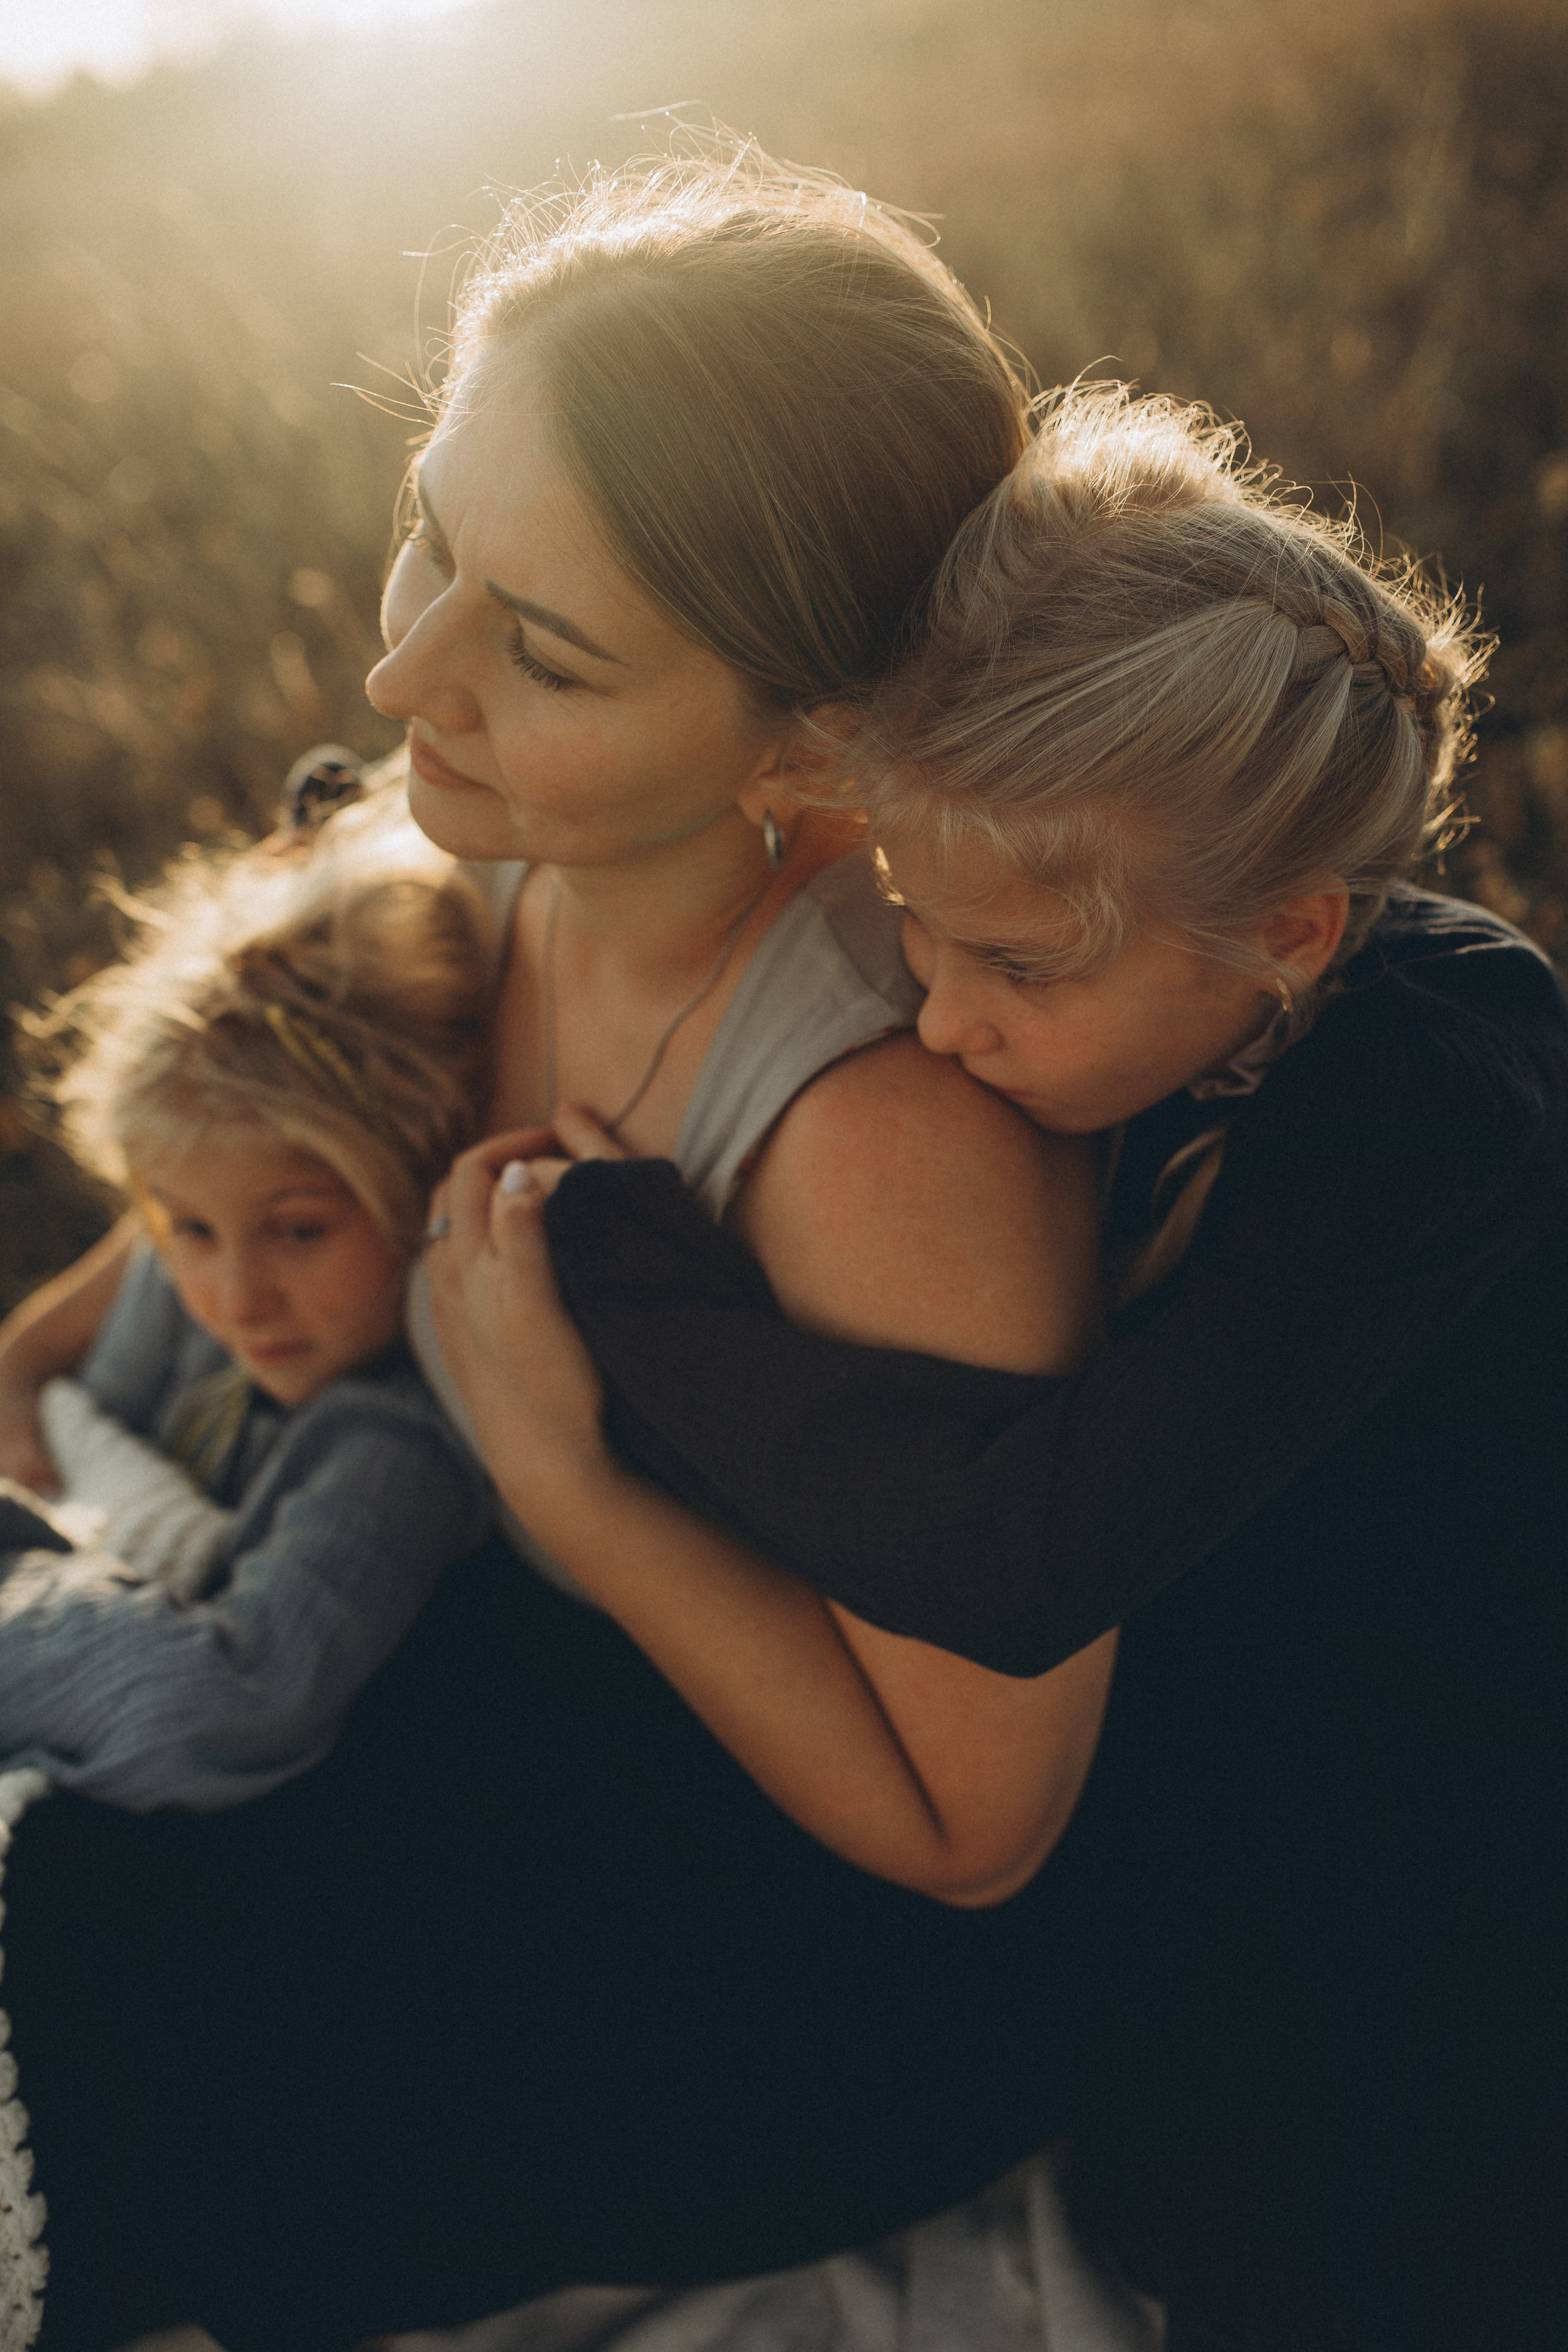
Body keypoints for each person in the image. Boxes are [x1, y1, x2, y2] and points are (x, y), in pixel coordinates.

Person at [0, 148, 1120, 2352]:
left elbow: (974, 1840)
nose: (405, 663)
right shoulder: (458, 864)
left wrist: (572, 1487)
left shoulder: (883, 1143)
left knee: (100, 1953)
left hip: (767, 1956)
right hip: (453, 1674)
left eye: (547, 648)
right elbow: (138, 1272)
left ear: (810, 746)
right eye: (431, 524)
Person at [478, 386, 1568, 2350]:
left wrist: (618, 1283)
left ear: (1288, 938)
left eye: (1020, 969)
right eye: (916, 931)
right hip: (1223, 1770)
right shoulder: (1132, 999)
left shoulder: (1439, 1093)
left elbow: (1023, 1553)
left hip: (1455, 1823)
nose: (945, 1024)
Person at [0, 840, 492, 1811]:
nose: (236, 1298)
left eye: (300, 1230)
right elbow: (58, 1426)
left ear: (417, 1186)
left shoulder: (394, 1447)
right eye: (189, 1228)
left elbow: (217, 1705)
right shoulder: (185, 1287)